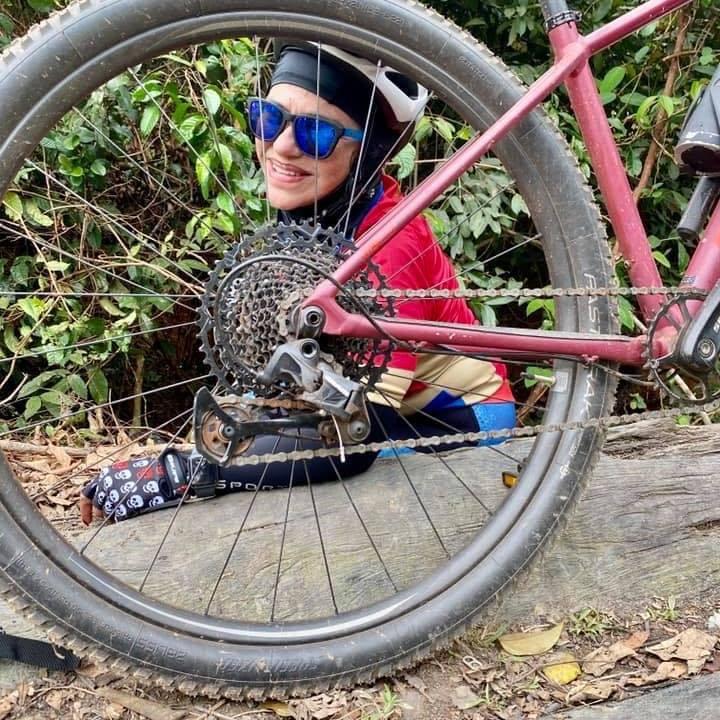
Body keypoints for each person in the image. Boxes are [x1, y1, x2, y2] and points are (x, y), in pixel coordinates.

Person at [80, 43, 517, 524]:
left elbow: (356, 434)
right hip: (382, 412)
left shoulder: (390, 244)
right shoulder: (313, 220)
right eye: (268, 119)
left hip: (454, 418)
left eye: (316, 132)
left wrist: (184, 473)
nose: (282, 146)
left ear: (368, 152)